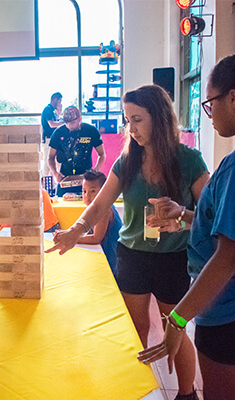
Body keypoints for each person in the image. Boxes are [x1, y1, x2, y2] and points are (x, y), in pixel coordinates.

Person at [46, 85, 210, 400]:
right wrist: (76, 230)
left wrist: (182, 215)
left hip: (172, 259)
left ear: (159, 119)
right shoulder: (127, 160)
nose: (130, 129)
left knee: (173, 331)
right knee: (134, 331)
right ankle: (136, 390)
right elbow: (99, 204)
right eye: (127, 121)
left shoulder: (188, 160)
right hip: (132, 256)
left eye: (137, 119)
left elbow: (210, 214)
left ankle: (186, 394)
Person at [138, 55, 235, 400]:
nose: (209, 115)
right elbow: (218, 224)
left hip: (224, 312)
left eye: (210, 103)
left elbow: (227, 256)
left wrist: (178, 320)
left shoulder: (223, 166)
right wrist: (182, 214)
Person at [48, 106, 106, 197]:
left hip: (86, 178)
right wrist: (55, 174)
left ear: (80, 119)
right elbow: (50, 157)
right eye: (67, 123)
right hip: (65, 177)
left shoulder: (91, 131)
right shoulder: (58, 132)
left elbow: (102, 154)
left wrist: (96, 170)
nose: (70, 126)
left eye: (73, 122)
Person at [78, 170, 122, 274]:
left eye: (92, 191)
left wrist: (72, 238)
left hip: (111, 259)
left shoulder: (104, 210)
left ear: (104, 192)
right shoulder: (94, 209)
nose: (87, 196)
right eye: (84, 191)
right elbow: (89, 231)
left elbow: (96, 238)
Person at [41, 92, 63, 176]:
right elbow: (52, 124)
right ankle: (45, 185)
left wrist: (59, 112)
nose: (60, 103)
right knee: (47, 162)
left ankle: (50, 186)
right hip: (47, 139)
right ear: (55, 99)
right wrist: (64, 124)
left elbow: (56, 121)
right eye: (59, 101)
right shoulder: (47, 110)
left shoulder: (52, 111)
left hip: (51, 139)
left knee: (51, 162)